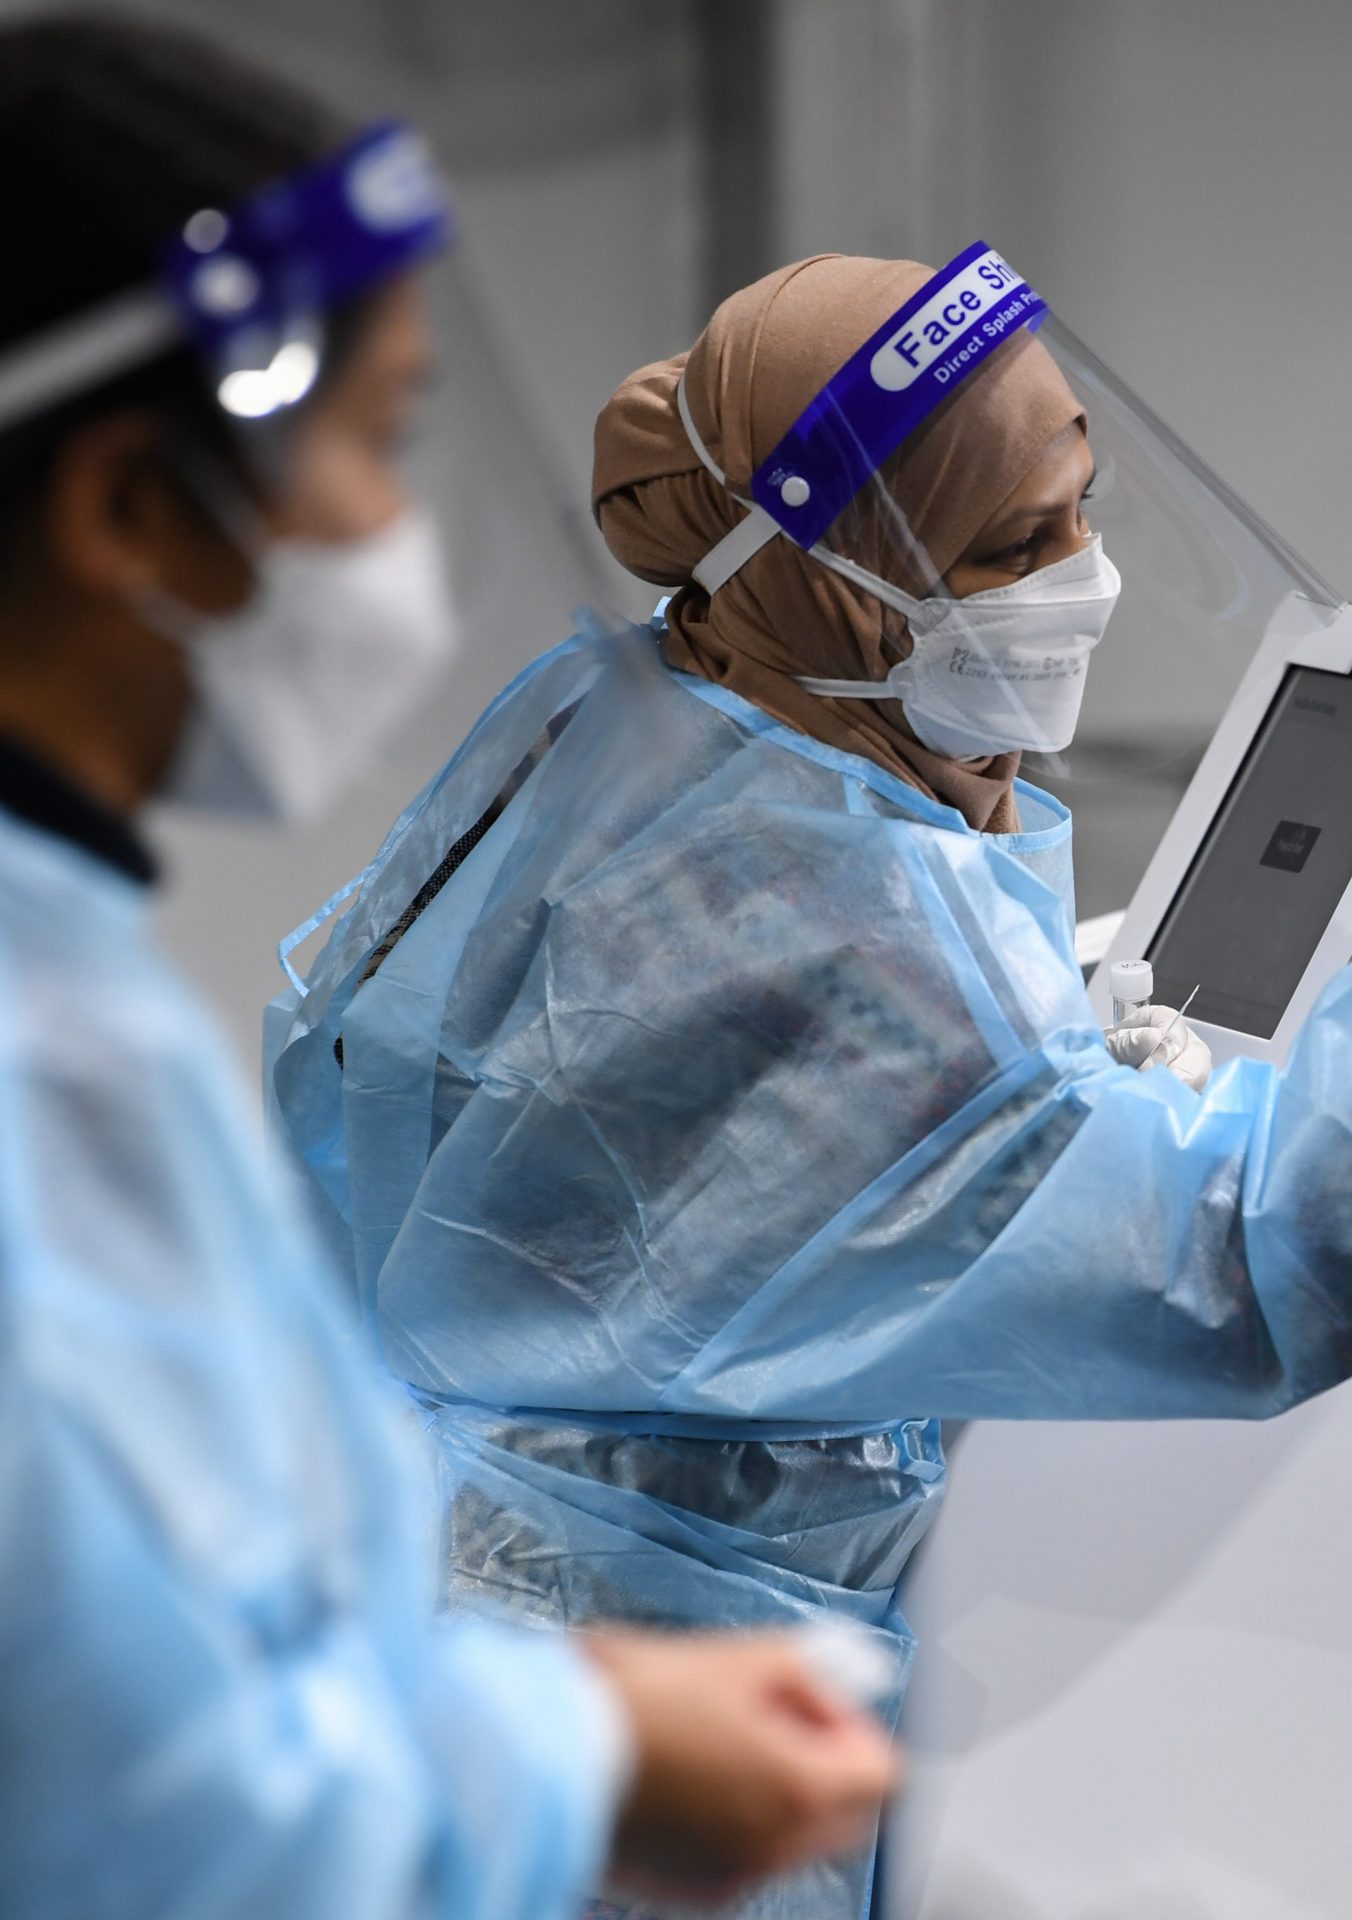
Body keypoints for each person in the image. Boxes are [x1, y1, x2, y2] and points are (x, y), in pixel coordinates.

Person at [263, 246, 1352, 1914]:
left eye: (1083, 511)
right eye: (1011, 546)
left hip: (431, 1587)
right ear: (834, 579)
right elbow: (1241, 1259)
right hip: (653, 1716)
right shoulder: (847, 909)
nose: (1084, 577)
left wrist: (1022, 1053)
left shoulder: (623, 703)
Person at [0, 18, 897, 1916]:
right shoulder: (34, 1077)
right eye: (376, 446)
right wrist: (589, 1760)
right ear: (127, 510)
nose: (393, 539)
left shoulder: (63, 971)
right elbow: (141, 1821)